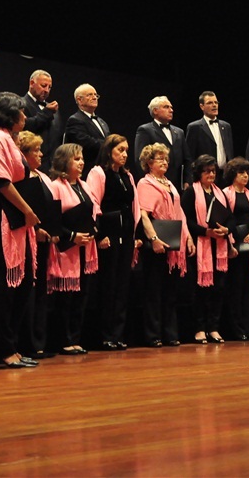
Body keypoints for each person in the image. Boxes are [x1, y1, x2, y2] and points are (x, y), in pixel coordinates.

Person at [0, 92, 40, 368]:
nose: (25, 117)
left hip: (18, 221)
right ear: (9, 114)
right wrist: (27, 209)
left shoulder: (10, 140)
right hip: (4, 216)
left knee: (23, 283)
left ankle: (12, 346)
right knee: (6, 284)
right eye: (22, 112)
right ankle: (2, 350)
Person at [86, 134, 143, 350]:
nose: (125, 154)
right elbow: (93, 203)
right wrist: (99, 235)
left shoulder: (127, 176)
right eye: (120, 150)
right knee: (108, 286)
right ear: (109, 151)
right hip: (108, 236)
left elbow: (135, 207)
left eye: (127, 150)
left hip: (126, 235)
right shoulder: (98, 173)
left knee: (122, 285)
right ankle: (105, 334)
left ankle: (117, 334)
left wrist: (135, 235)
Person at [136, 143, 196, 347]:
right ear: (149, 162)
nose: (165, 162)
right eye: (160, 158)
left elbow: (180, 214)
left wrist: (187, 237)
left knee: (170, 292)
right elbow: (143, 214)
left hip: (173, 242)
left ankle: (170, 333)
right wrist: (153, 239)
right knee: (154, 291)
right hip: (157, 243)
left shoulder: (169, 184)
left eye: (166, 158)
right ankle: (153, 335)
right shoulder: (145, 184)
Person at [47, 143, 98, 355]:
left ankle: (76, 338)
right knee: (65, 299)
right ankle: (63, 340)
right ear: (64, 161)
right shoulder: (56, 185)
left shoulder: (84, 185)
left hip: (85, 248)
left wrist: (93, 230)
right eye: (76, 159)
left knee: (81, 296)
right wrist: (72, 236)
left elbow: (93, 213)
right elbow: (53, 220)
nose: (82, 162)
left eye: (82, 158)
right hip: (66, 249)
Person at [181, 154, 237, 344]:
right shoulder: (191, 192)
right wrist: (206, 232)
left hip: (219, 245)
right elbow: (185, 219)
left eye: (213, 171)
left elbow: (230, 217)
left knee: (218, 289)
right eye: (207, 171)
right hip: (199, 246)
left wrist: (226, 229)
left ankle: (213, 328)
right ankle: (199, 328)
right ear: (199, 173)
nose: (211, 174)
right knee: (200, 290)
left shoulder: (219, 193)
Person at [16, 131, 59, 360]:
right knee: (30, 291)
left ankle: (39, 342)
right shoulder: (22, 177)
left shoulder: (42, 176)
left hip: (45, 240)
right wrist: (36, 230)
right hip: (28, 239)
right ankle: (27, 343)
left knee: (42, 291)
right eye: (36, 150)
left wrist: (54, 231)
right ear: (23, 154)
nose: (41, 154)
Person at [222, 157, 249, 341]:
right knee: (235, 287)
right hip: (233, 244)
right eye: (241, 172)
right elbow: (224, 219)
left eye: (247, 172)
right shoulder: (225, 193)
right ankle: (237, 329)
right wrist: (233, 239)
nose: (246, 176)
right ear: (233, 174)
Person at [135, 96, 191, 190]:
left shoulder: (179, 132)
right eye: (166, 107)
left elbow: (187, 159)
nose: (171, 110)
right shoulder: (145, 130)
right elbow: (140, 159)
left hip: (177, 185)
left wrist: (187, 181)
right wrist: (151, 182)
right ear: (155, 110)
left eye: (171, 107)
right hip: (155, 184)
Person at [185, 91, 234, 185]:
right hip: (205, 176)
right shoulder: (194, 127)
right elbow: (190, 156)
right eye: (210, 103)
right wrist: (190, 179)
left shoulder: (226, 126)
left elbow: (229, 151)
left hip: (224, 176)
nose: (214, 105)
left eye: (216, 102)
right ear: (202, 106)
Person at [64, 84, 109, 178]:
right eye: (89, 95)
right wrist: (109, 146)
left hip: (105, 170)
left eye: (95, 95)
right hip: (87, 171)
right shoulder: (74, 120)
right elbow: (86, 143)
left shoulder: (102, 122)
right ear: (79, 100)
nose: (94, 97)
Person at [22, 70, 63, 173]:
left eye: (49, 87)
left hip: (53, 167)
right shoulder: (21, 104)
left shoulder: (54, 110)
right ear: (32, 83)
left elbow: (57, 138)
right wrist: (46, 112)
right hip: (31, 165)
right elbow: (26, 126)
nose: (47, 90)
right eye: (43, 86)